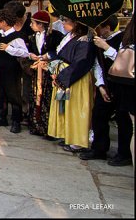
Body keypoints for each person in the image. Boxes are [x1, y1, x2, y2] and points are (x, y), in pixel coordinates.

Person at [84, 15, 132, 166]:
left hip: (122, 85)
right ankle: (99, 148)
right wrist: (101, 85)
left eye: (99, 27)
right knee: (99, 115)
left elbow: (123, 61)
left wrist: (106, 47)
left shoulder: (123, 39)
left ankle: (124, 154)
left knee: (123, 120)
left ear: (107, 27)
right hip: (106, 84)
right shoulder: (96, 42)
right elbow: (97, 64)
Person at [47, 17, 97, 152]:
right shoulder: (70, 37)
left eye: (66, 21)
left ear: (75, 23)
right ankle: (68, 135)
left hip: (76, 78)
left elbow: (81, 63)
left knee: (77, 109)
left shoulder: (84, 41)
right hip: (65, 75)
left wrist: (62, 77)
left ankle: (78, 141)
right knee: (65, 108)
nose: (63, 23)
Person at [0, 9, 30, 133]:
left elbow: (24, 52)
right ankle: (2, 116)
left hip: (11, 69)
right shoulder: (0, 34)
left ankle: (16, 121)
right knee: (0, 92)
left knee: (13, 93)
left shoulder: (17, 36)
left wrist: (9, 48)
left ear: (4, 22)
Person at [25, 10, 63, 137]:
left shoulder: (55, 36)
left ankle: (48, 127)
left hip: (49, 71)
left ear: (41, 24)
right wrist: (31, 55)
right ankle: (36, 125)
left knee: (47, 97)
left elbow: (60, 50)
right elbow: (29, 51)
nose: (31, 25)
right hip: (37, 71)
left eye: (33, 23)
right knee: (35, 96)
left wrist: (48, 56)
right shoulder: (31, 37)